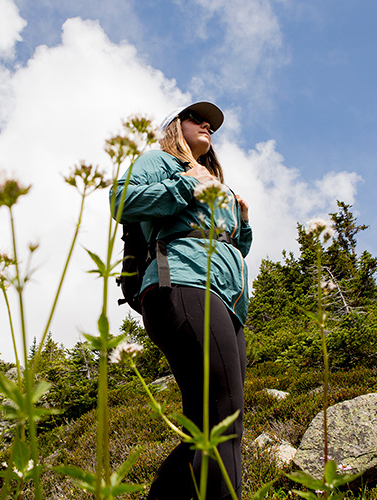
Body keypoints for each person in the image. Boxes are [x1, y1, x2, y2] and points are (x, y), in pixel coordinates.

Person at [112, 102, 252, 499]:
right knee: (225, 420)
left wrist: (242, 221)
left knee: (207, 426)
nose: (207, 124)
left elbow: (234, 249)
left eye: (211, 124)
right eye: (196, 118)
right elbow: (121, 201)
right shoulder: (160, 161)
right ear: (177, 126)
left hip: (226, 301)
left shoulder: (215, 181)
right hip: (183, 285)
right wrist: (186, 185)